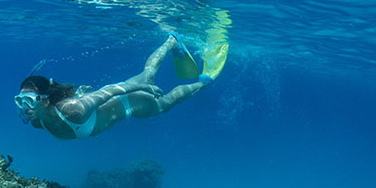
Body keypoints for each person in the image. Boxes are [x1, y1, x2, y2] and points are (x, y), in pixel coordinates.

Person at [14, 33, 227, 140]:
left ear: (45, 100)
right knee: (148, 75)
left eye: (29, 101)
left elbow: (112, 91)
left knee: (164, 103)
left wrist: (144, 89)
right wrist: (78, 94)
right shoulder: (38, 122)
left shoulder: (73, 111)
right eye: (20, 100)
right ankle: (172, 42)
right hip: (114, 99)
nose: (24, 107)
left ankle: (204, 82)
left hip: (126, 104)